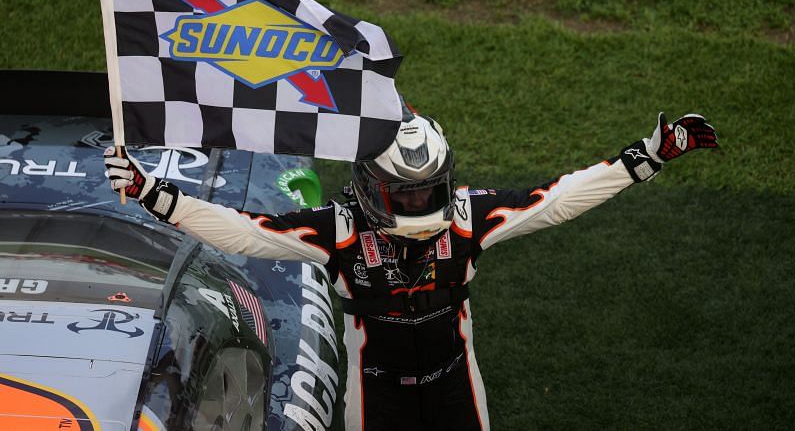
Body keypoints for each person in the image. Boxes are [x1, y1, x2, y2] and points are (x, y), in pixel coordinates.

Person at [104, 107, 718, 431]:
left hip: (457, 384)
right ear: (373, 187)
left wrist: (651, 154)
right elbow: (244, 233)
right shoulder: (338, 228)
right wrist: (155, 192)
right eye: (408, 193)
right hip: (378, 398)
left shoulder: (467, 216)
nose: (421, 204)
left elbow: (556, 200)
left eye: (429, 191)